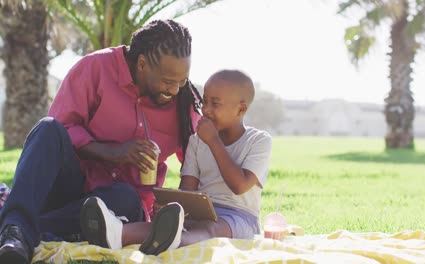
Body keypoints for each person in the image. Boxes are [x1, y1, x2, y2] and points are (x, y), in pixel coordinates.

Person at [0, 19, 202, 263]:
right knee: (48, 128)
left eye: (182, 81)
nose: (175, 90)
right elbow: (63, 128)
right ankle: (15, 232)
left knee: (126, 199)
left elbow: (199, 158)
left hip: (116, 208)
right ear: (142, 64)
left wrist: (180, 204)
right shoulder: (95, 68)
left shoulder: (182, 102)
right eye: (168, 81)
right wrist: (113, 152)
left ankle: (19, 228)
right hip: (69, 187)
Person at [80, 69, 273, 256]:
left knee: (209, 228)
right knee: (170, 224)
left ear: (241, 109)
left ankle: (175, 243)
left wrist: (214, 141)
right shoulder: (197, 141)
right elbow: (187, 190)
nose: (205, 110)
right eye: (204, 102)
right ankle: (115, 233)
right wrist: (172, 205)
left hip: (239, 219)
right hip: (203, 212)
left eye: (215, 104)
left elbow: (239, 185)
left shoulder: (259, 141)